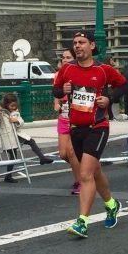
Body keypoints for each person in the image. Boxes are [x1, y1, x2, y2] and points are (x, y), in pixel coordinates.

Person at [52, 30, 127, 239]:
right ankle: (112, 205)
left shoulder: (104, 70)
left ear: (92, 46)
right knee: (94, 172)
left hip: (98, 126)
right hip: (76, 127)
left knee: (84, 174)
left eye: (82, 42)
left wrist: (110, 99)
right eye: (75, 43)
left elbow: (122, 84)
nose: (77, 46)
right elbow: (56, 92)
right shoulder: (66, 69)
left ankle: (82, 221)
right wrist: (63, 90)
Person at [0, 92, 54, 183]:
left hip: (17, 134)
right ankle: (8, 176)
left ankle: (42, 158)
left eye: (15, 105)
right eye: (11, 106)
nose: (14, 108)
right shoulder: (2, 112)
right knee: (13, 156)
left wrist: (17, 121)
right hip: (8, 137)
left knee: (31, 141)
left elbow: (21, 122)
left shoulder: (15, 112)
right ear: (6, 104)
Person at [54, 48, 83, 194]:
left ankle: (80, 182)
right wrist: (57, 103)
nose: (65, 60)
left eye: (68, 57)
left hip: (75, 119)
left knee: (71, 153)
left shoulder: (78, 73)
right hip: (63, 118)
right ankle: (83, 167)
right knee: (64, 154)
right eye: (63, 58)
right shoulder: (58, 74)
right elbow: (56, 92)